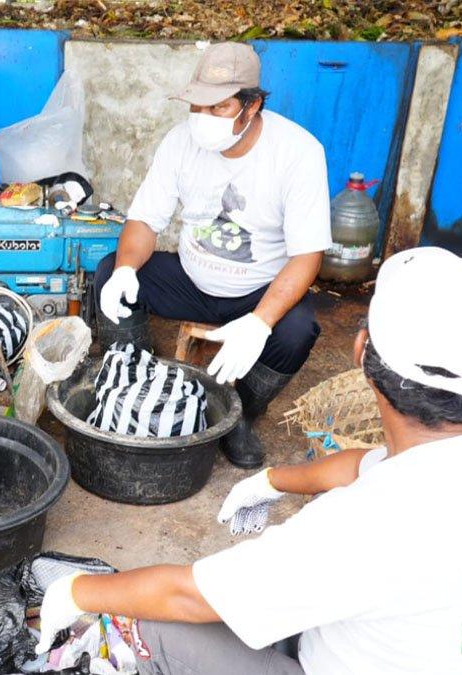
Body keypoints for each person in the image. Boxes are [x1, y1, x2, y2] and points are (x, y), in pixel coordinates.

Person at [39, 247, 462, 674]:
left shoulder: (362, 526)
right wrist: (272, 481)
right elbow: (362, 466)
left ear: (360, 351)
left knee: (149, 623)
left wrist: (78, 593)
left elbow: (187, 596)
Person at [95, 42, 331, 469]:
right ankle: (134, 384)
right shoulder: (178, 142)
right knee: (110, 273)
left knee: (297, 331)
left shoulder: (299, 153)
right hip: (192, 278)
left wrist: (261, 322)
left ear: (252, 105)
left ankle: (237, 413)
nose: (202, 120)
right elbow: (145, 221)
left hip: (258, 289)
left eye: (218, 107)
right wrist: (128, 268)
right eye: (197, 106)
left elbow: (306, 256)